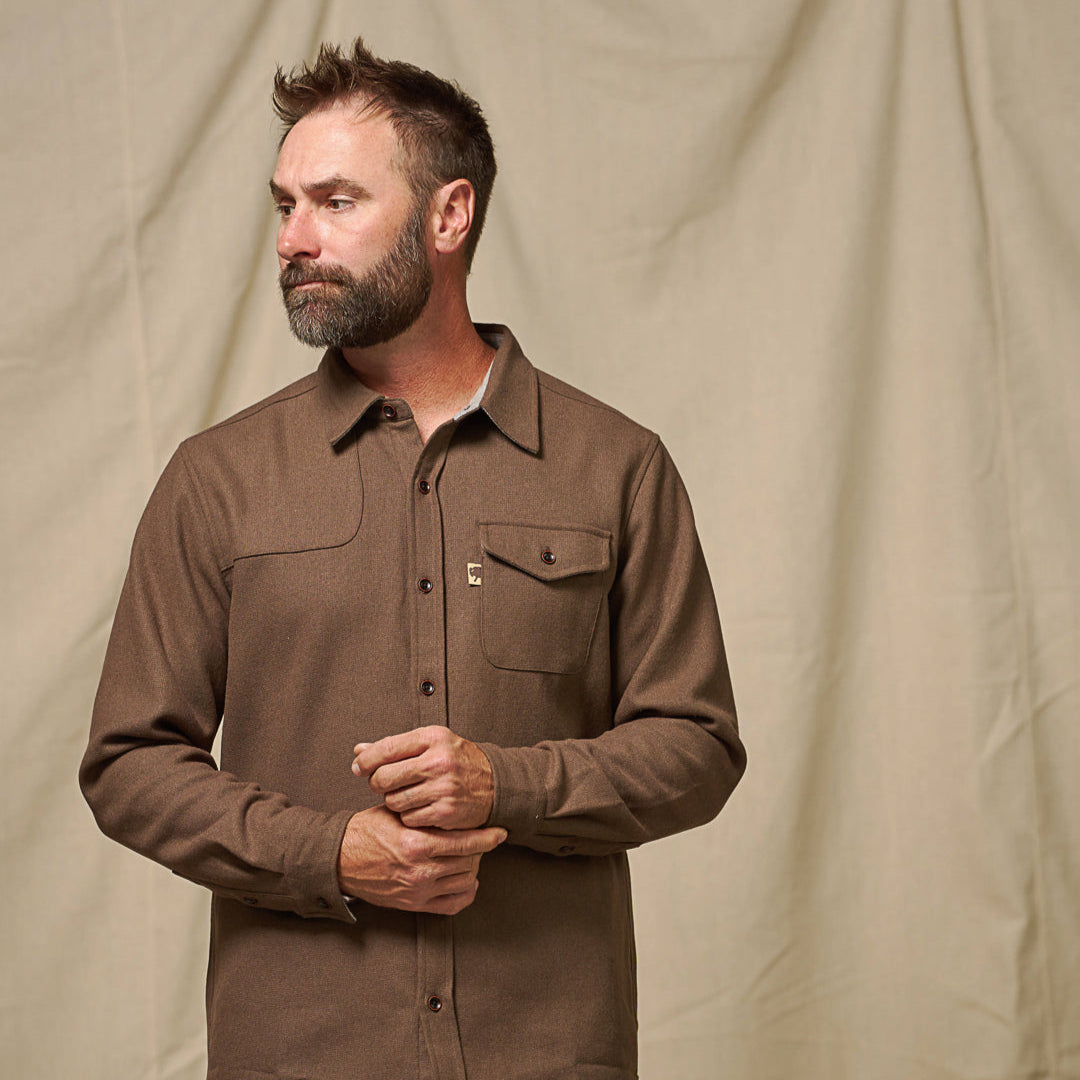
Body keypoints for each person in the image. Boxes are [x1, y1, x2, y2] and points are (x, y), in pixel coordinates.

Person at [80, 37, 746, 1080]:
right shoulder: (218, 478)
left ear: (450, 216)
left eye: (336, 201)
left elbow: (696, 748)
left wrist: (508, 785)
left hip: (546, 1051)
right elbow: (127, 764)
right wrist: (328, 853)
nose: (296, 238)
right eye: (285, 205)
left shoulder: (616, 467)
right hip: (299, 1054)